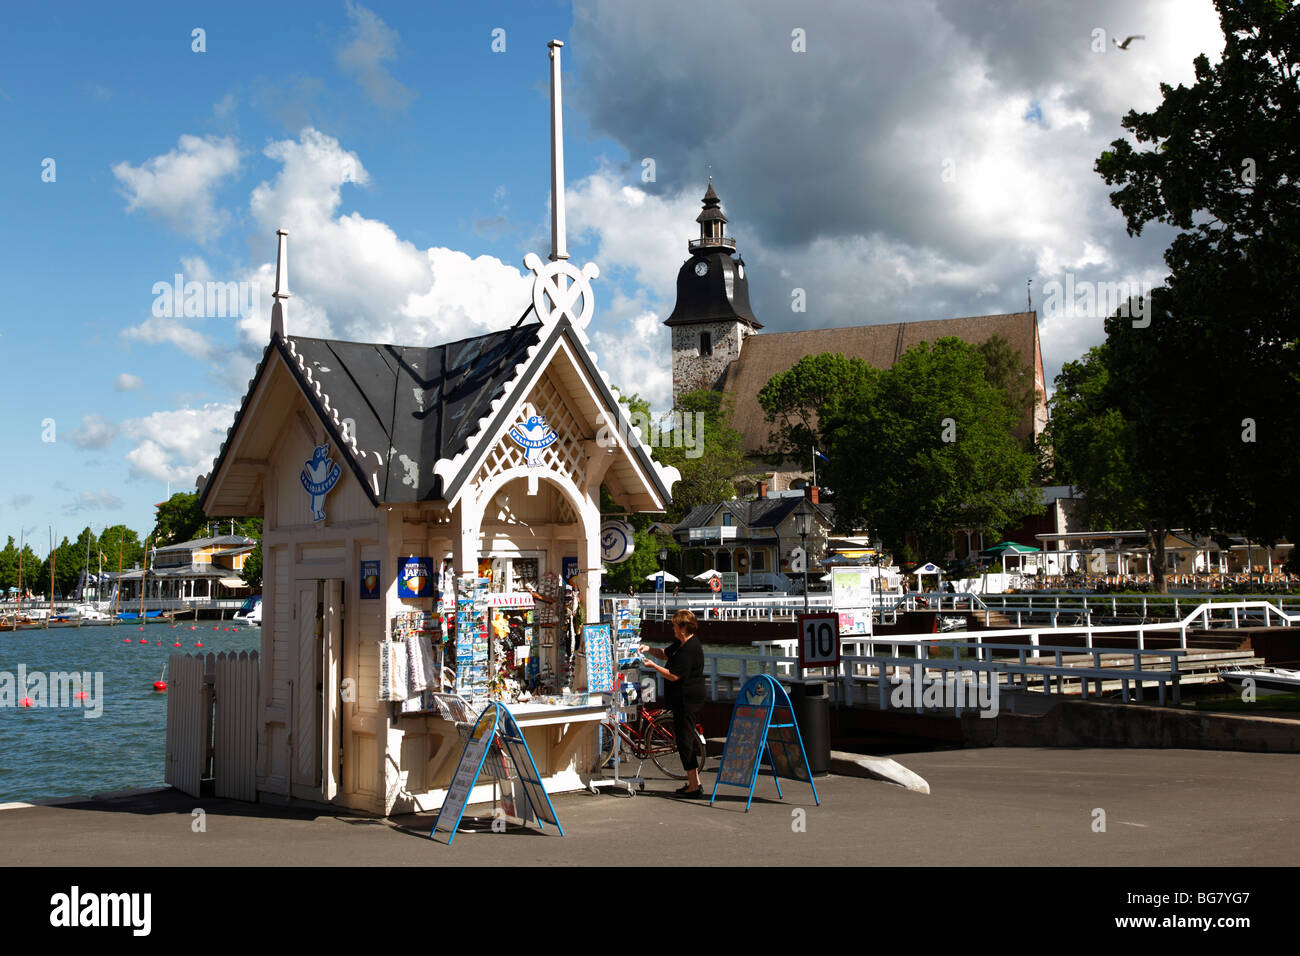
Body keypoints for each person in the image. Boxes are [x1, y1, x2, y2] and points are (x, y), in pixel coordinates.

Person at [639, 609, 706, 797]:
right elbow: (664, 653)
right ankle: (694, 782)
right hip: (683, 698)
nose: (673, 628)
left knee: (684, 741)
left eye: (675, 625)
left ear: (683, 627)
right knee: (684, 739)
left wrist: (653, 666)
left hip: (688, 699)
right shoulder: (681, 644)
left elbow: (674, 675)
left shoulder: (690, 648)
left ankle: (693, 786)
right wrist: (648, 649)